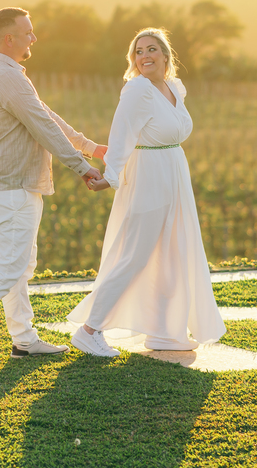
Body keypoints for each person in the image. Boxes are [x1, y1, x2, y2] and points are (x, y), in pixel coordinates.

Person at [0, 7, 106, 369]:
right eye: (28, 32)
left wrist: (89, 147)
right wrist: (81, 166)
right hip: (9, 187)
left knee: (18, 266)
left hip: (15, 187)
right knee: (7, 266)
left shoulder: (6, 74)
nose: (34, 38)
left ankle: (24, 340)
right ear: (9, 38)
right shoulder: (5, 77)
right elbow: (43, 127)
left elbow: (45, 115)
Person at [67, 27, 226, 357]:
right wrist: (111, 177)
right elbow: (122, 133)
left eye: (151, 49)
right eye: (138, 52)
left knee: (172, 252)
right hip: (149, 175)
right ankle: (89, 329)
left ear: (166, 56)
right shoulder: (137, 89)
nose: (144, 56)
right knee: (135, 254)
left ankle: (164, 332)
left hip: (174, 174)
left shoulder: (173, 88)